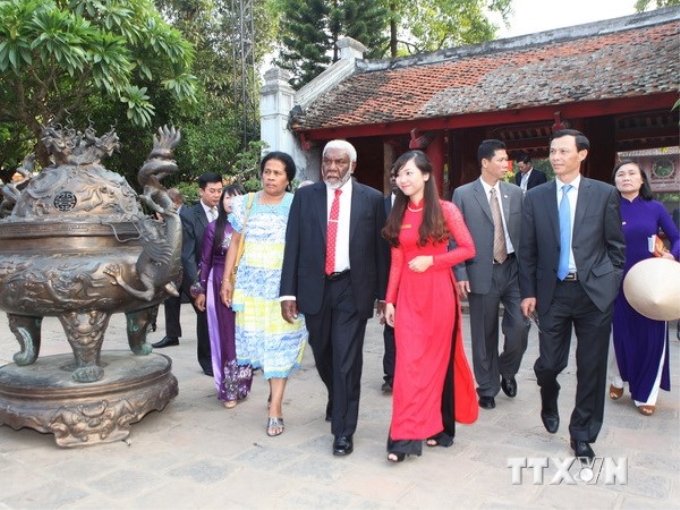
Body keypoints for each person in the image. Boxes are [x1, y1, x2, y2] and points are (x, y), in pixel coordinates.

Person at [519, 129, 625, 461]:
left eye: (563, 151)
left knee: (591, 367)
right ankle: (548, 396)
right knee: (550, 364)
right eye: (552, 151)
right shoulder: (535, 197)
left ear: (582, 154)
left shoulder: (604, 194)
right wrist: (528, 292)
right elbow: (527, 250)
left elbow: (616, 247)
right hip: (553, 292)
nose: (555, 157)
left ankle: (582, 434)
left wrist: (611, 282)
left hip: (594, 292)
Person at [280, 139, 387, 457]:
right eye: (327, 161)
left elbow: (380, 252)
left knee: (346, 360)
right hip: (314, 288)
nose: (331, 167)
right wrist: (288, 292)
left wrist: (383, 295)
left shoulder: (372, 199)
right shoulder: (305, 196)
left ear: (352, 166)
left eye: (339, 162)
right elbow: (293, 244)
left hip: (352, 288)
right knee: (322, 351)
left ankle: (343, 431)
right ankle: (336, 395)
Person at [383, 150, 478, 463]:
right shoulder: (398, 213)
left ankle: (438, 426)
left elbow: (468, 248)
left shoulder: (446, 210)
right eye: (399, 174)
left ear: (426, 175)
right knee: (408, 366)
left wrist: (434, 260)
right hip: (409, 297)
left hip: (439, 296)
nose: (402, 179)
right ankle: (404, 438)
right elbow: (397, 261)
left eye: (409, 173)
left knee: (437, 364)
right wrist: (390, 300)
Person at [220, 152, 307, 437]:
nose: (270, 177)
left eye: (277, 173)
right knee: (260, 345)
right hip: (250, 290)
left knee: (279, 347)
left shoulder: (297, 205)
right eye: (267, 171)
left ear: (288, 178)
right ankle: (273, 396)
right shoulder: (245, 204)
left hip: (282, 292)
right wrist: (226, 280)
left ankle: (276, 408)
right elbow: (234, 243)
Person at [452, 140, 530, 410]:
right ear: (485, 162)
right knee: (484, 334)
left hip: (513, 270)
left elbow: (527, 234)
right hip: (480, 270)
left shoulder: (516, 193)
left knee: (520, 326)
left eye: (507, 159)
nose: (506, 164)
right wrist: (460, 271)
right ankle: (487, 386)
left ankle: (507, 370)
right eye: (500, 159)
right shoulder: (463, 194)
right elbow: (454, 235)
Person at [609, 160, 679, 415]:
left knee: (652, 338)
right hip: (617, 282)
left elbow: (677, 237)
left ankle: (646, 393)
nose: (626, 178)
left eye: (631, 174)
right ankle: (618, 379)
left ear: (641, 180)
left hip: (651, 283)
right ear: (614, 181)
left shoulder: (655, 208)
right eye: (620, 174)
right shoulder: (608, 208)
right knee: (621, 335)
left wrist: (674, 256)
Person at [193, 184, 253, 408]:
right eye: (228, 197)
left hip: (246, 284)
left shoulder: (251, 227)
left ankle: (243, 385)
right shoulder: (213, 228)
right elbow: (205, 261)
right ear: (222, 201)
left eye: (237, 197)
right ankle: (228, 390)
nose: (232, 201)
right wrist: (200, 290)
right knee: (226, 336)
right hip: (220, 282)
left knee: (243, 337)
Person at [176, 172, 224, 376]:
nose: (216, 195)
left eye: (219, 191)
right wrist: (198, 286)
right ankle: (206, 361)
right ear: (201, 191)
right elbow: (187, 255)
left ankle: (223, 357)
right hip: (199, 276)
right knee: (205, 319)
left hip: (222, 274)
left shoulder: (224, 211)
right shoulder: (188, 215)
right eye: (212, 191)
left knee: (222, 318)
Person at [153, 188, 185, 348]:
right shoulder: (168, 217)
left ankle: (211, 331)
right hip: (175, 266)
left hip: (189, 264)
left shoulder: (186, 214)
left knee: (199, 302)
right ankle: (172, 335)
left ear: (176, 202)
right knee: (171, 300)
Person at [380, 176, 398, 394]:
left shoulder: (418, 205)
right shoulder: (380, 205)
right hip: (388, 275)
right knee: (390, 328)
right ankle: (391, 375)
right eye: (392, 174)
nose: (396, 179)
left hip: (414, 274)